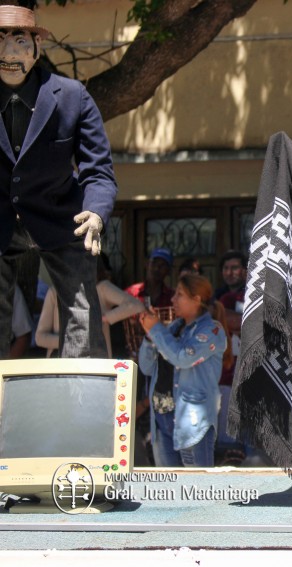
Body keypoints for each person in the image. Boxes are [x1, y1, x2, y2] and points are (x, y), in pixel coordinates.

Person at [0, 6, 117, 359]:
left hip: (61, 215)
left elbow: (98, 168)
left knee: (81, 312)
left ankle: (80, 385)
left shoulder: (72, 96)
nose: (9, 52)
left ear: (37, 46)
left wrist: (95, 212)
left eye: (19, 41)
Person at [138, 274, 230, 467]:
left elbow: (184, 358)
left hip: (192, 422)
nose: (173, 299)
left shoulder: (212, 330)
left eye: (179, 294)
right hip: (161, 418)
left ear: (196, 299)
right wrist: (149, 336)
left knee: (197, 484)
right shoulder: (174, 328)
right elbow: (147, 368)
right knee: (170, 484)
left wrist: (156, 330)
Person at [36, 256, 144, 358]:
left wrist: (104, 318)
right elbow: (40, 337)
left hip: (95, 364)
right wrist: (71, 341)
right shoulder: (55, 292)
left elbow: (136, 305)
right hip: (61, 364)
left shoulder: (101, 288)